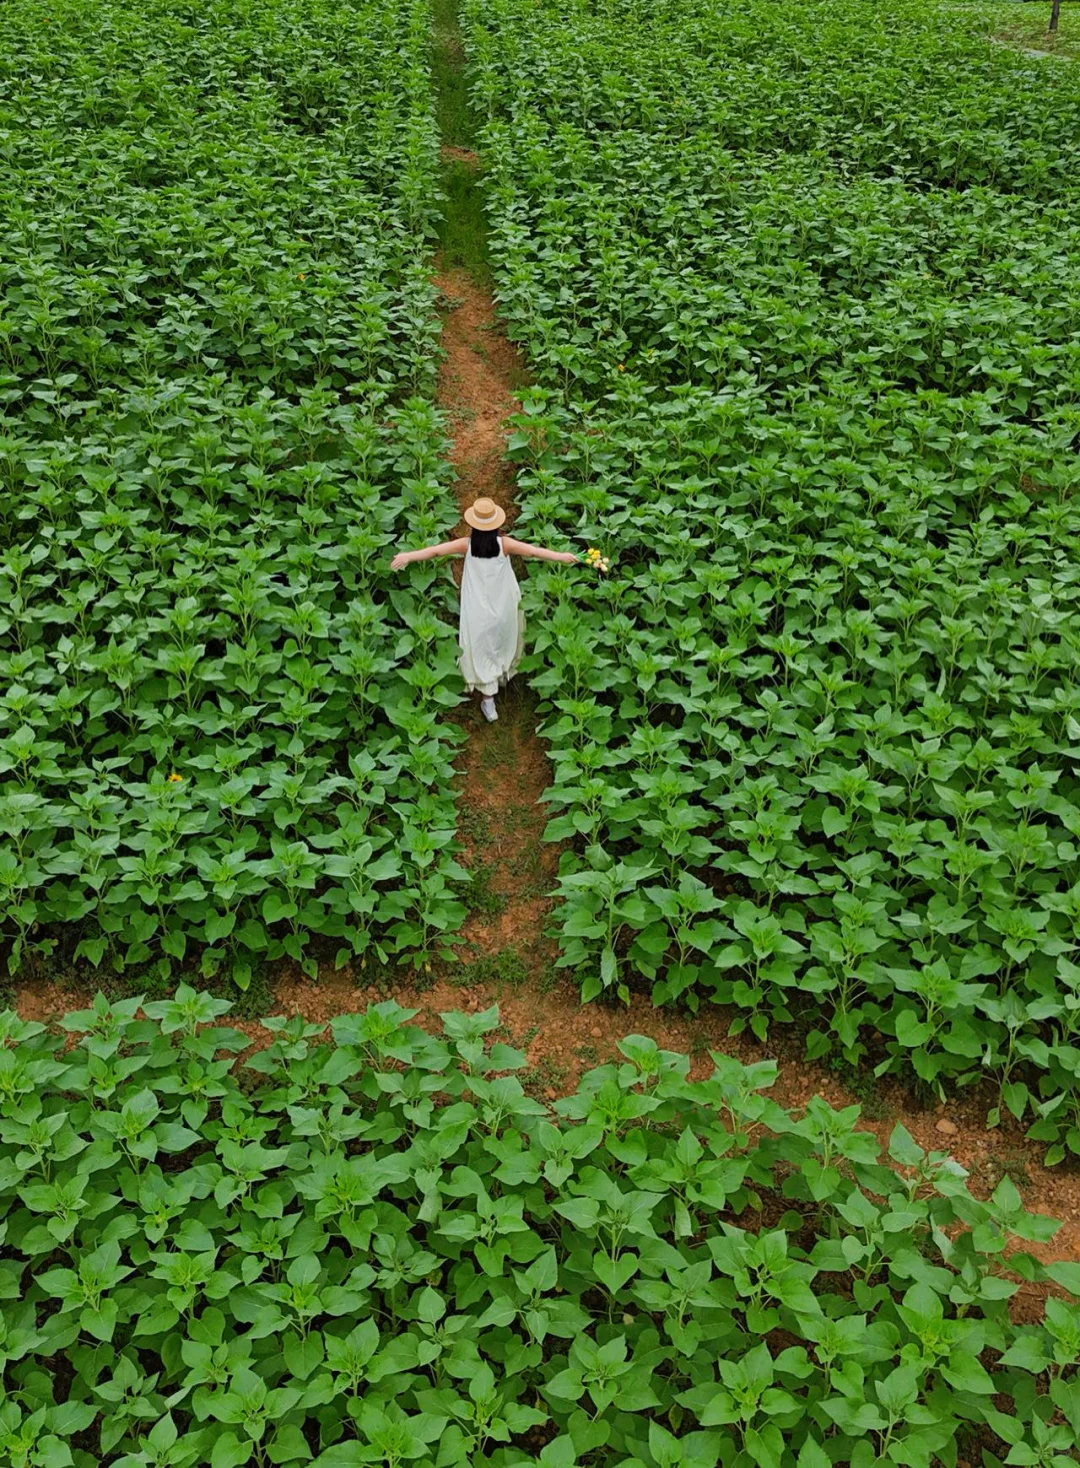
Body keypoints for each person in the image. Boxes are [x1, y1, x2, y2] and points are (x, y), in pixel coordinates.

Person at [391, 497, 578, 722]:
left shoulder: (466, 545)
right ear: (496, 525)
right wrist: (562, 557)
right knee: (503, 636)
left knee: (480, 644)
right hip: (503, 603)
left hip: (478, 606)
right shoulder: (505, 544)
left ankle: (488, 698)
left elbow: (436, 552)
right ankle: (501, 674)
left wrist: (408, 556)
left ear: (473, 525)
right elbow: (533, 552)